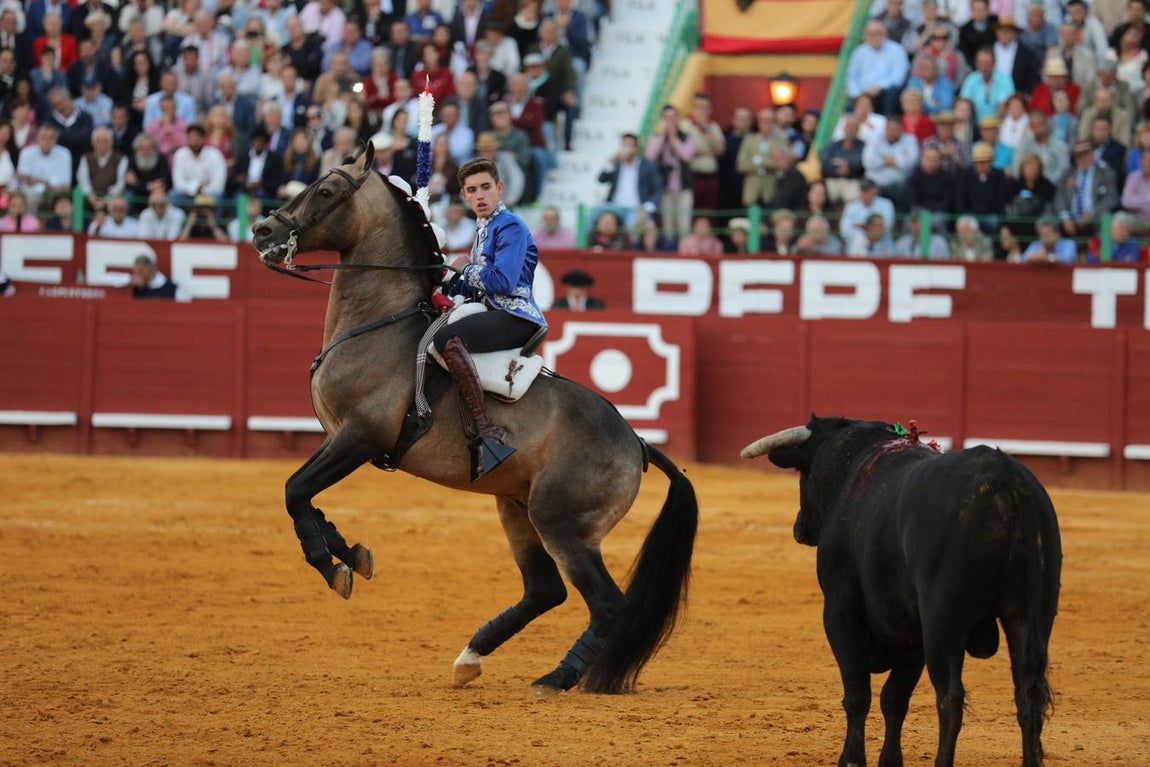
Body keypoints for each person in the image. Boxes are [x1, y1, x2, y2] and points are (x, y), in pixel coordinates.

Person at [437, 156, 546, 480]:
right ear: (465, 196)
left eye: (486, 187)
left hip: (516, 315)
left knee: (449, 341)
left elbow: (503, 281)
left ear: (499, 189)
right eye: (472, 190)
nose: (480, 195)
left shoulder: (509, 225)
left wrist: (463, 268)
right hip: (496, 311)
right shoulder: (485, 227)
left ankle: (488, 433)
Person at [1054, 139, 1119, 238]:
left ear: (1092, 154)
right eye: (1078, 156)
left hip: (1095, 217)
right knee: (1049, 223)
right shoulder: (1068, 173)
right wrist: (1065, 218)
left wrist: (1091, 214)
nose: (1082, 159)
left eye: (1085, 154)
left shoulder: (1105, 172)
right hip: (1070, 218)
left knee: (1105, 223)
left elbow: (1111, 198)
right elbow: (1059, 196)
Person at [596, 132, 660, 231]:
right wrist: (611, 162)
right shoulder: (616, 164)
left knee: (634, 226)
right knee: (593, 214)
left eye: (629, 146)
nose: (626, 149)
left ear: (636, 148)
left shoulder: (647, 166)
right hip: (614, 206)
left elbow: (658, 189)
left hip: (636, 208)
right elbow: (601, 179)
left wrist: (647, 208)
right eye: (624, 145)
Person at [846, 20, 910, 115]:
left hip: (885, 91)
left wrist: (879, 87)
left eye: (878, 34)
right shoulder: (859, 52)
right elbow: (851, 76)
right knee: (849, 107)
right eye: (872, 34)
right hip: (863, 93)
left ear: (885, 34)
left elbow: (899, 76)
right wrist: (858, 95)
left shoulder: (896, 50)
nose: (876, 37)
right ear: (866, 36)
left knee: (891, 93)